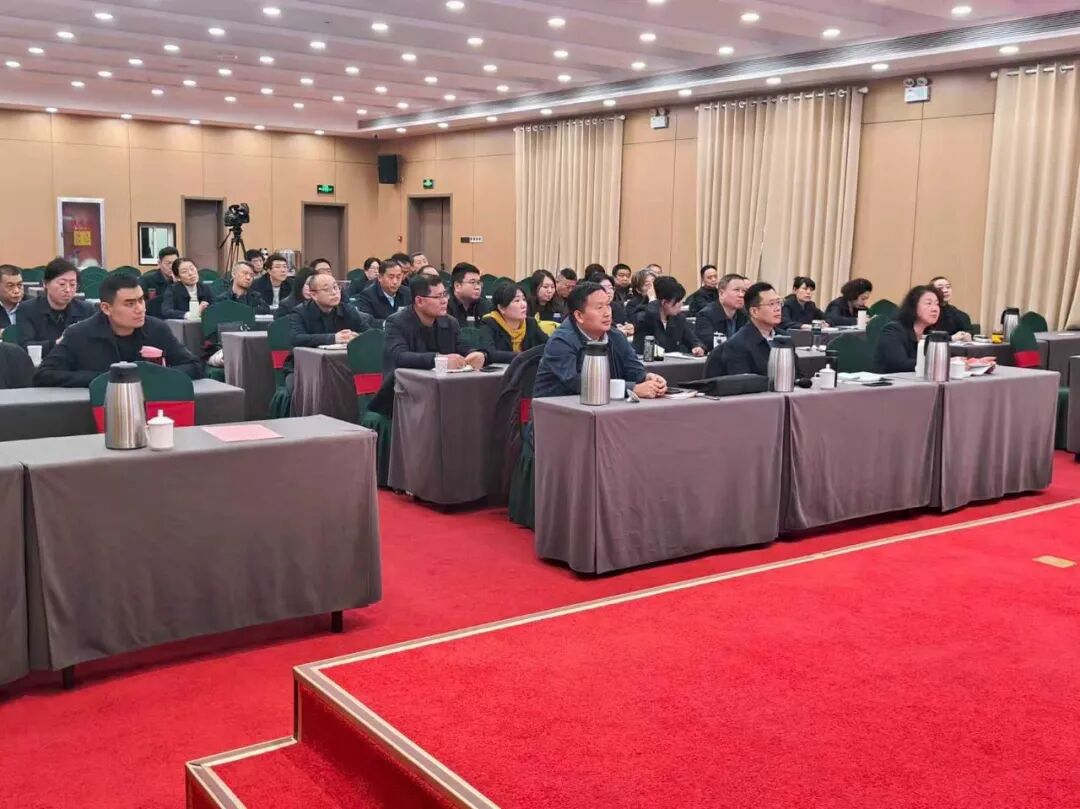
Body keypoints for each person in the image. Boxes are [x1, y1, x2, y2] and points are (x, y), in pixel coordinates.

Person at [34, 274, 203, 387]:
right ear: (106, 308)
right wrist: (104, 378)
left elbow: (194, 366)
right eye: (130, 304)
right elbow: (44, 375)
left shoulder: (157, 329)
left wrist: (154, 375)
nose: (140, 309)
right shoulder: (79, 334)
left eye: (141, 300)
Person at [368, 275, 486, 416]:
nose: (444, 301)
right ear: (419, 301)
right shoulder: (396, 323)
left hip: (444, 394)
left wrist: (475, 354)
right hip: (403, 396)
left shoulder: (450, 322)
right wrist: (440, 360)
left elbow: (462, 348)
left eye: (445, 295)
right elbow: (400, 357)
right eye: (438, 297)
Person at [534, 281, 667, 399]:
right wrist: (631, 389)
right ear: (579, 315)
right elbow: (577, 383)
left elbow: (633, 367)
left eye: (608, 305)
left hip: (604, 408)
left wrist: (646, 377)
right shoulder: (561, 341)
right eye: (599, 308)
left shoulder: (615, 336)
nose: (607, 313)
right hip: (558, 411)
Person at [284, 273, 373, 386]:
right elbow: (296, 338)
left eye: (336, 287)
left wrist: (357, 336)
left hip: (344, 366)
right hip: (304, 368)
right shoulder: (300, 313)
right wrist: (334, 338)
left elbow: (369, 333)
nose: (334, 292)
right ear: (313, 295)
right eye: (327, 289)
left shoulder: (347, 310)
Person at [18, 258, 96, 356]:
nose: (68, 290)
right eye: (62, 284)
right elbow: (25, 345)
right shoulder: (27, 309)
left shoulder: (86, 309)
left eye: (72, 284)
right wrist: (56, 344)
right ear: (45, 284)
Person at [874, 285, 943, 374]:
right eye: (928, 303)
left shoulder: (930, 333)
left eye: (937, 304)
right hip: (890, 381)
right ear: (913, 306)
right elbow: (899, 364)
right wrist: (935, 363)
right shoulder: (894, 330)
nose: (935, 309)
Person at [720, 282, 784, 377]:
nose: (778, 308)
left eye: (779, 303)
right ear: (754, 311)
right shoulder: (737, 344)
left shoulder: (784, 338)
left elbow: (797, 375)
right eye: (771, 304)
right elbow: (743, 383)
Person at [634, 277, 706, 357]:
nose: (681, 304)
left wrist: (698, 347)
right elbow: (651, 347)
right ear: (664, 302)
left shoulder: (679, 318)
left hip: (672, 363)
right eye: (677, 301)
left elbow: (694, 340)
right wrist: (653, 300)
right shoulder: (643, 317)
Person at [481, 280, 548, 364]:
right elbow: (489, 353)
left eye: (524, 299)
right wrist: (525, 356)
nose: (523, 305)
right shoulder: (490, 323)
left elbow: (549, 345)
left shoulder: (530, 323)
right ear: (501, 308)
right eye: (517, 301)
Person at [693, 273, 748, 347]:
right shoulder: (705, 315)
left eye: (744, 291)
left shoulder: (744, 314)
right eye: (736, 290)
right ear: (721, 293)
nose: (741, 295)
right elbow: (710, 344)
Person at [929, 276, 973, 341]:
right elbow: (926, 336)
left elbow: (969, 332)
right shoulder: (927, 313)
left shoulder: (961, 315)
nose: (945, 290)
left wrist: (968, 336)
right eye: (940, 288)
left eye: (948, 287)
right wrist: (951, 338)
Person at [447, 262, 492, 326]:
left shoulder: (483, 305)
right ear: (457, 286)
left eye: (478, 283)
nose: (477, 287)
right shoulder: (444, 305)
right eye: (472, 282)